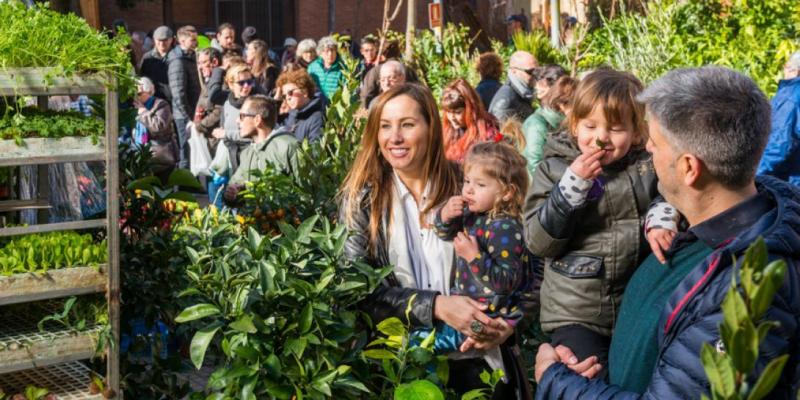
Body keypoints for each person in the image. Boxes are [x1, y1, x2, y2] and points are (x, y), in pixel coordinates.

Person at [534, 66, 800, 399]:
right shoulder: (707, 228)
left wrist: (555, 380)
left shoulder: (744, 290)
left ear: (689, 168)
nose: (645, 149)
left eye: (655, 143)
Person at [339, 83, 531, 400]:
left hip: (480, 361)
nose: (394, 137)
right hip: (403, 367)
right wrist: (437, 307)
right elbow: (358, 291)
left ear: (431, 127)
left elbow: (524, 262)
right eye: (385, 126)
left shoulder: (468, 186)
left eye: (408, 125)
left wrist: (507, 325)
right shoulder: (363, 201)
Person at [524, 69, 675, 374]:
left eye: (615, 128)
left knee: (634, 379)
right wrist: (570, 190)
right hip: (577, 308)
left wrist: (662, 216)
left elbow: (672, 193)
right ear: (575, 124)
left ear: (636, 132)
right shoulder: (555, 170)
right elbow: (538, 241)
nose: (601, 138)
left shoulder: (647, 167)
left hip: (635, 306)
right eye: (590, 126)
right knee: (586, 375)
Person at [412, 141, 532, 358]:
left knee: (417, 347)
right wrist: (445, 215)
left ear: (507, 192)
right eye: (467, 181)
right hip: (469, 310)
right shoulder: (475, 216)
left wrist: (474, 257)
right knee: (422, 344)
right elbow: (443, 233)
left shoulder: (505, 228)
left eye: (480, 184)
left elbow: (506, 282)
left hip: (487, 315)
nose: (468, 189)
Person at [223, 95, 299, 205]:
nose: (237, 121)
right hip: (255, 220)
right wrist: (232, 194)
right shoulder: (247, 153)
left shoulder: (288, 146)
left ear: (257, 120)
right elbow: (234, 186)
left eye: (242, 116)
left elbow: (308, 190)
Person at [209, 64, 256, 204]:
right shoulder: (227, 104)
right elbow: (224, 127)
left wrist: (226, 134)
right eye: (241, 82)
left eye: (250, 82)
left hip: (248, 157)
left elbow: (255, 133)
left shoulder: (255, 104)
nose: (246, 86)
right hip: (230, 156)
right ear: (230, 84)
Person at [757, 51, 800, 186]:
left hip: (790, 182)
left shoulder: (791, 96)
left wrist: (751, 177)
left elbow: (779, 144)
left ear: (790, 68)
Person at [521, 75, 577, 176]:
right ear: (561, 103)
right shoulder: (537, 124)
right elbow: (532, 164)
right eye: (576, 105)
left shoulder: (561, 122)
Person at [440, 79, 502, 163]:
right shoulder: (447, 133)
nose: (452, 118)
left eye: (458, 112)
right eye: (448, 112)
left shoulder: (488, 132)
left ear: (471, 109)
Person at [168, 25, 201, 170]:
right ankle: (184, 185)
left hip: (192, 111)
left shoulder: (189, 57)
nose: (196, 43)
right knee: (185, 150)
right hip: (184, 115)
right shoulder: (178, 61)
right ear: (182, 41)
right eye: (192, 40)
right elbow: (178, 93)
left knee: (192, 149)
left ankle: (190, 182)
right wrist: (189, 116)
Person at [133, 77, 177, 182]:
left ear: (149, 92)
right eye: (134, 94)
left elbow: (159, 126)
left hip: (161, 156)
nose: (136, 97)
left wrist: (143, 113)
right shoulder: (136, 106)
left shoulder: (161, 104)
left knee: (162, 189)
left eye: (139, 94)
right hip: (142, 156)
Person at [359, 40, 418, 107]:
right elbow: (417, 90)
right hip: (407, 106)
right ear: (398, 53)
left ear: (383, 54)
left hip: (382, 107)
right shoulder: (409, 70)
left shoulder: (374, 71)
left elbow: (366, 95)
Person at [275, 68, 325, 143]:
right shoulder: (291, 115)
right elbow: (270, 123)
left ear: (305, 92)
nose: (288, 98)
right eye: (284, 96)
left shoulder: (317, 117)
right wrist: (276, 101)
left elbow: (316, 150)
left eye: (290, 93)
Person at [489, 51, 537, 123]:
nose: (536, 75)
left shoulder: (523, 92)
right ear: (514, 71)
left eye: (538, 71)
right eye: (530, 71)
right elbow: (504, 132)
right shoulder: (506, 101)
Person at [140, 25, 174, 102]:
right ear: (154, 40)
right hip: (153, 100)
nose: (162, 43)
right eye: (159, 40)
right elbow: (143, 77)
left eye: (165, 40)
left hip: (173, 101)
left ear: (171, 40)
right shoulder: (147, 58)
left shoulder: (176, 57)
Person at [307, 36, 344, 101]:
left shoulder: (342, 68)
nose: (330, 54)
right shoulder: (312, 67)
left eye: (332, 50)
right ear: (320, 53)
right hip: (316, 104)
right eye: (327, 51)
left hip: (334, 106)